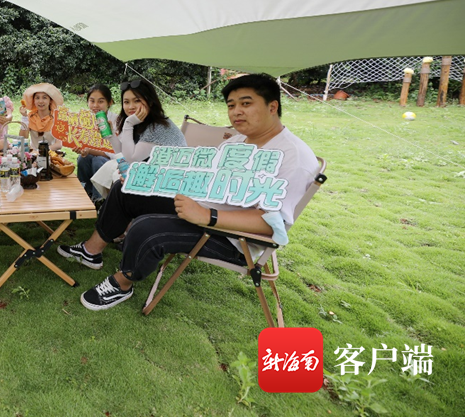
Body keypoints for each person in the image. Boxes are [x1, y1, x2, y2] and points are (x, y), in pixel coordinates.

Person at [77, 73, 320, 311]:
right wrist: (144, 178)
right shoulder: (236, 143)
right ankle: (91, 251)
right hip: (198, 208)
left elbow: (272, 224)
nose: (236, 112)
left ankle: (122, 283)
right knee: (126, 188)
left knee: (145, 228)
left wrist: (207, 216)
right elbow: (199, 178)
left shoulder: (293, 157)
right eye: (231, 105)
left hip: (231, 237)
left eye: (246, 104)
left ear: (272, 107)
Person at [59, 77, 187, 269]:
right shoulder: (143, 124)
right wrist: (111, 135)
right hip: (157, 183)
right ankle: (98, 246)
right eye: (126, 102)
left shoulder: (158, 127)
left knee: (121, 188)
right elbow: (123, 154)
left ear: (150, 102)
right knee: (121, 186)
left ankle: (92, 250)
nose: (131, 106)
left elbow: (130, 159)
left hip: (175, 194)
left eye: (137, 100)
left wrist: (128, 125)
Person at [75, 83, 117, 202]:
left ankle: (99, 199)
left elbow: (114, 152)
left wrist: (90, 151)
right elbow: (83, 144)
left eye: (101, 101)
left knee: (97, 161)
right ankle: (84, 193)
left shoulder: (116, 121)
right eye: (92, 101)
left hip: (113, 159)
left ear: (109, 102)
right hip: (93, 156)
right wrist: (79, 148)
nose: (95, 105)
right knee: (82, 159)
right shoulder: (86, 120)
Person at [18, 82, 65, 152]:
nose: (40, 101)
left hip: (51, 154)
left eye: (44, 98)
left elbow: (59, 145)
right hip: (33, 155)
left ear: (50, 101)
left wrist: (40, 151)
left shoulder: (57, 118)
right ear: (34, 101)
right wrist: (24, 117)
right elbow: (23, 138)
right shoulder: (30, 116)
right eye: (37, 98)